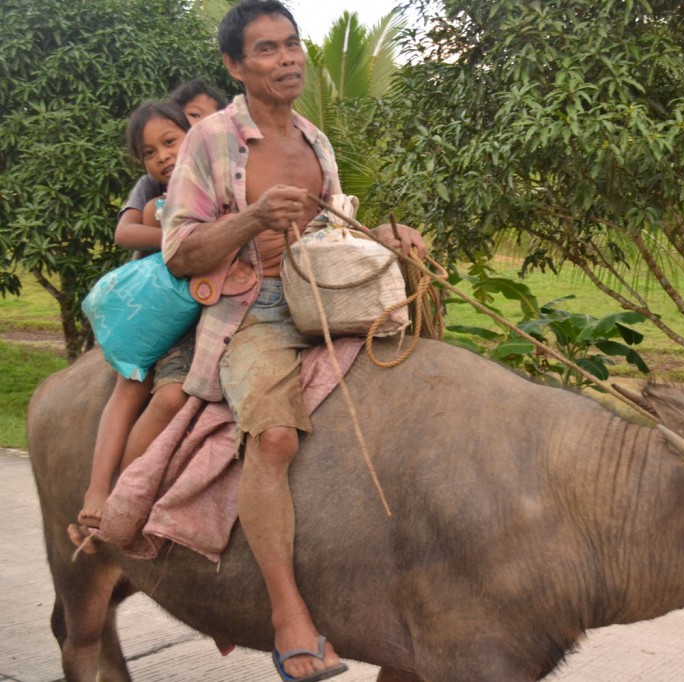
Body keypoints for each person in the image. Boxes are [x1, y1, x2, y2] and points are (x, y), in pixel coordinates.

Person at [161, 2, 425, 680]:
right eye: (268, 49)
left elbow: (333, 234)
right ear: (234, 66)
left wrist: (385, 241)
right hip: (254, 310)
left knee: (426, 404)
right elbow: (181, 254)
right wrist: (252, 218)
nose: (289, 59)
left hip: (329, 297)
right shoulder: (211, 141)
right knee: (275, 437)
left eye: (293, 44)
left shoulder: (315, 139)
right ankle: (288, 617)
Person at [74, 85, 227, 533]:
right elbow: (128, 233)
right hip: (159, 310)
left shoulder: (222, 180)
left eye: (171, 141)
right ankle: (102, 489)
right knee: (132, 387)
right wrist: (182, 239)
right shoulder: (153, 192)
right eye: (149, 151)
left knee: (175, 395)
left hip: (206, 309)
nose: (162, 155)